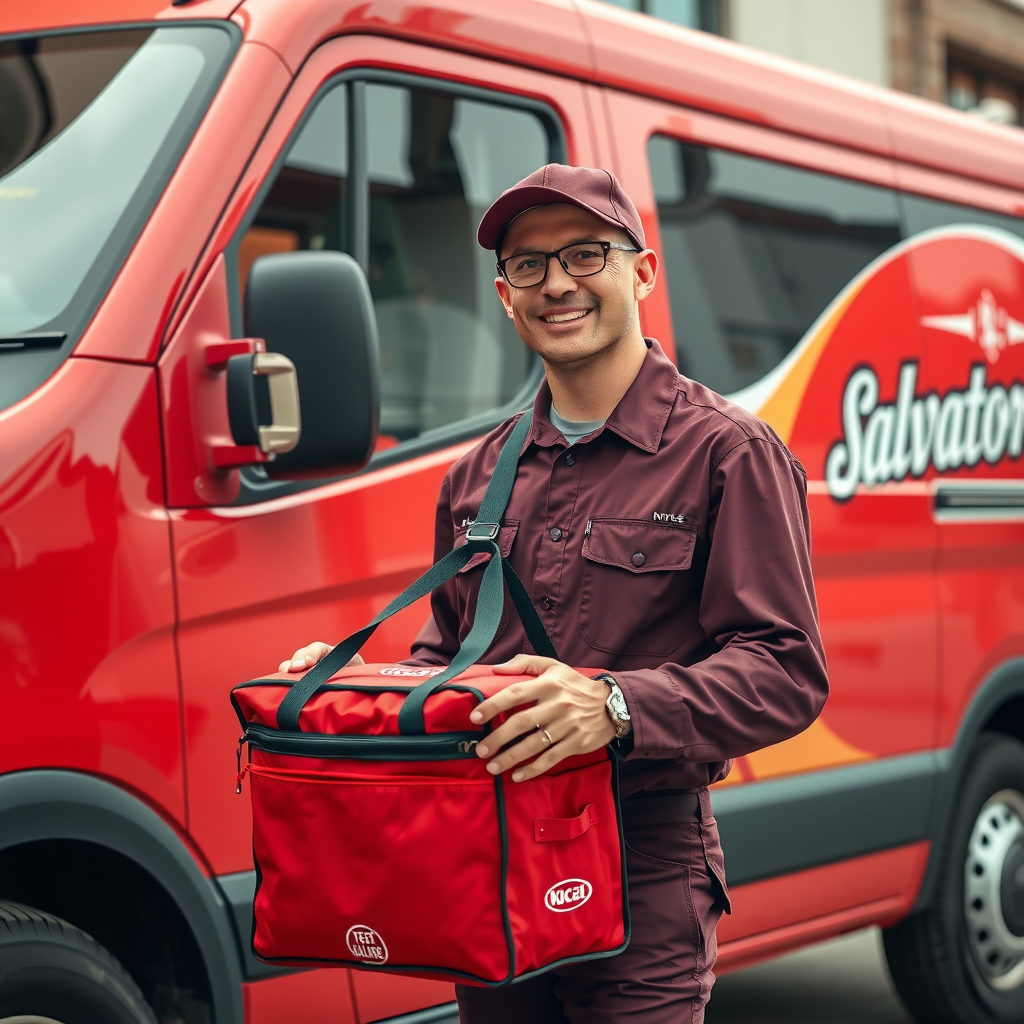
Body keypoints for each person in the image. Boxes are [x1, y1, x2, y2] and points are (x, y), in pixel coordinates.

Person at [280, 164, 829, 1023]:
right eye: (528, 266)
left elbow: (787, 670)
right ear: (504, 296)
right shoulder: (477, 477)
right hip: (487, 856)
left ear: (641, 272)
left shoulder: (729, 453)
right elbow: (450, 657)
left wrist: (614, 706)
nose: (558, 283)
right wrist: (358, 688)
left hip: (640, 860)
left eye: (585, 254)